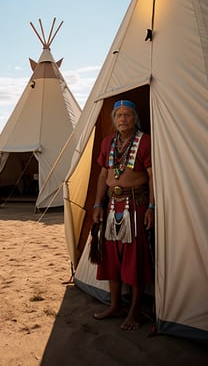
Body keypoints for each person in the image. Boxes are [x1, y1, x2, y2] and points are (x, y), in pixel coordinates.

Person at [92, 99, 155, 331]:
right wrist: (97, 204)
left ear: (135, 118)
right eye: (118, 115)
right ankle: (115, 306)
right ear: (113, 119)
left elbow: (152, 176)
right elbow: (102, 176)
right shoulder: (108, 142)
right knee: (110, 256)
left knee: (134, 257)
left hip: (135, 204)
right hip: (111, 205)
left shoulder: (145, 141)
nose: (122, 119)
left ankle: (135, 311)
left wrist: (151, 207)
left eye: (127, 114)